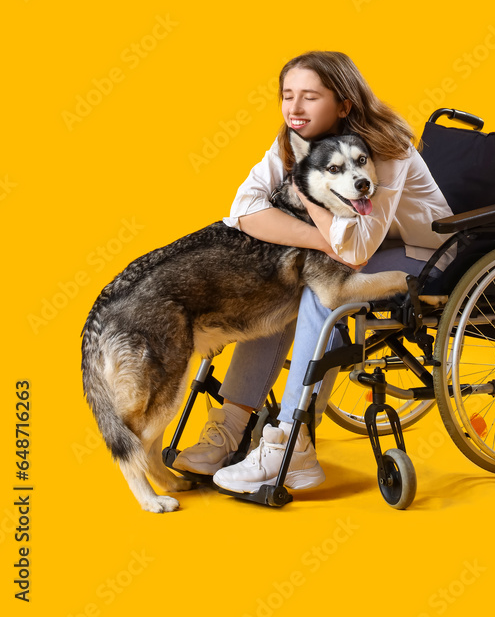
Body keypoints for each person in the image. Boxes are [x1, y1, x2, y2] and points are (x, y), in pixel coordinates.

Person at [174, 50, 456, 493]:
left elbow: (358, 247)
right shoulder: (295, 140)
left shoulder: (385, 148)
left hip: (422, 251)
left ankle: (293, 442)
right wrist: (321, 240)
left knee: (320, 293)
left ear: (343, 104)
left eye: (309, 97)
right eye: (288, 96)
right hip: (356, 246)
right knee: (280, 281)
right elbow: (244, 209)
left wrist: (305, 200)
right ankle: (232, 425)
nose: (295, 109)